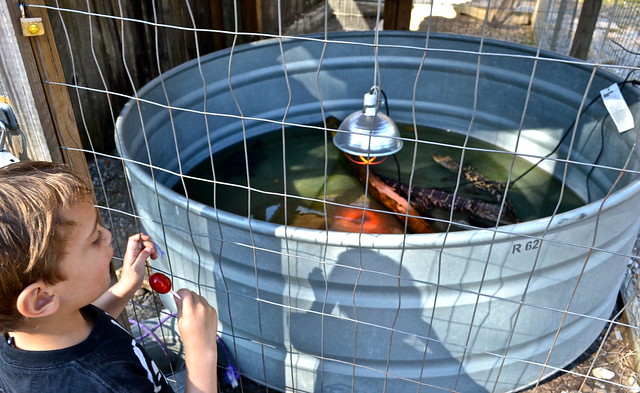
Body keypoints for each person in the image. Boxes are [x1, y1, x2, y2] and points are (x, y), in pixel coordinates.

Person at [0, 160, 218, 393]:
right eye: (94, 239)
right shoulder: (109, 384)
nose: (108, 235)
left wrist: (126, 286)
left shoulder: (22, 333)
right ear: (41, 299)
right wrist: (201, 351)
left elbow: (88, 327)